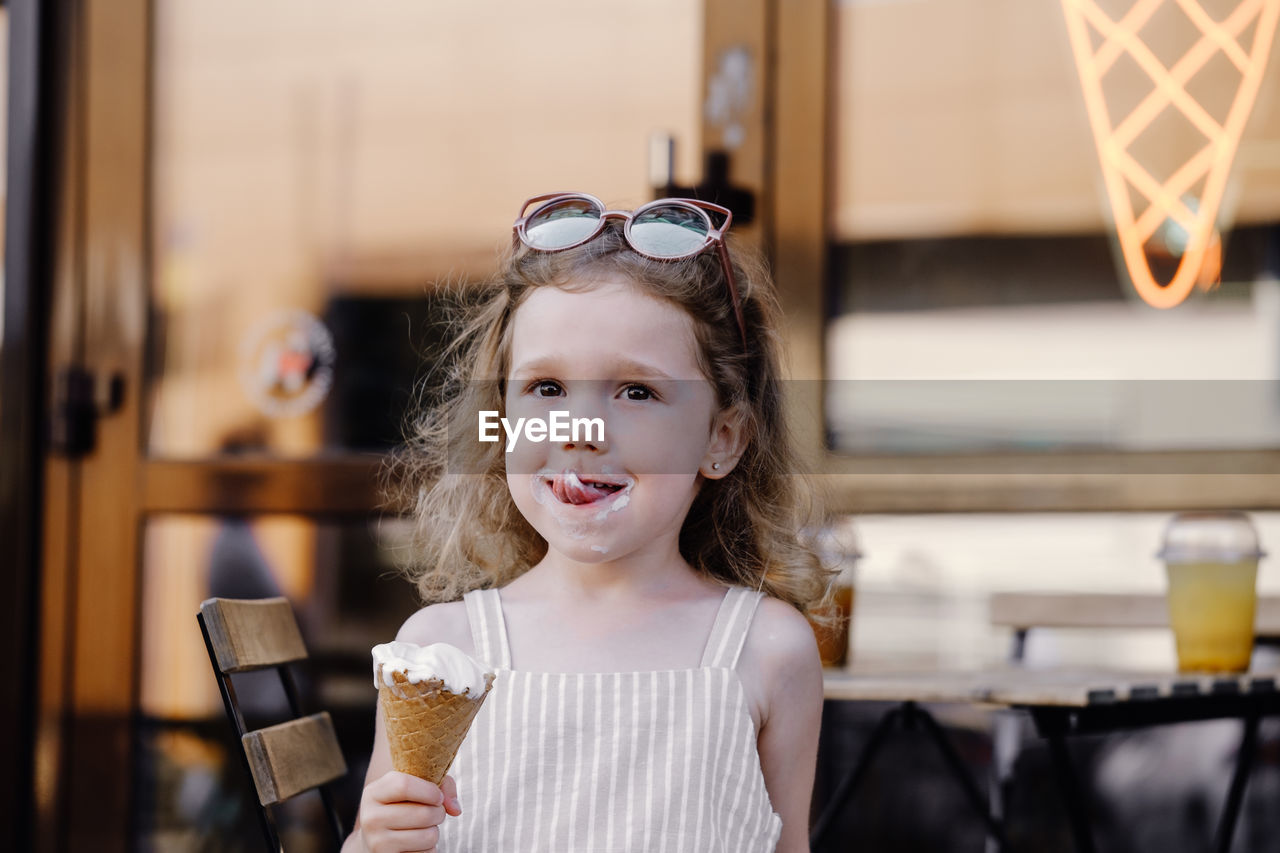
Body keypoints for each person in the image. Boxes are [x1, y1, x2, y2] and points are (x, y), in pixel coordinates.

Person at [343, 192, 833, 853]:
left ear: (722, 437)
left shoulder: (769, 650)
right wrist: (375, 841)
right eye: (546, 388)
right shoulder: (442, 648)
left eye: (637, 391)